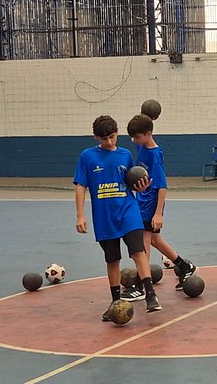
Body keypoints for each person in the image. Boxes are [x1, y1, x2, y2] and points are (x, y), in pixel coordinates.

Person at [74, 115, 162, 321]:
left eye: (112, 137)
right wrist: (80, 215)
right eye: (104, 139)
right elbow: (80, 186)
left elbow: (130, 182)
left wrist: (141, 187)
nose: (109, 142)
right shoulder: (87, 157)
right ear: (96, 137)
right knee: (112, 259)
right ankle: (115, 302)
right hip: (104, 217)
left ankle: (151, 295)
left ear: (117, 134)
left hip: (128, 211)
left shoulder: (125, 155)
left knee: (138, 251)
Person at [125, 114, 197, 298]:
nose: (134, 140)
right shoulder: (141, 144)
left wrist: (158, 214)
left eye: (137, 137)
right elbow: (140, 129)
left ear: (148, 134)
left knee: (144, 243)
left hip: (151, 204)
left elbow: (163, 186)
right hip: (141, 200)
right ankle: (185, 266)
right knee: (156, 240)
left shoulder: (154, 155)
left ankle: (142, 286)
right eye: (132, 137)